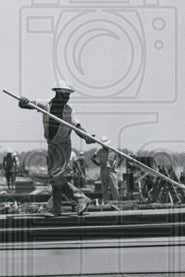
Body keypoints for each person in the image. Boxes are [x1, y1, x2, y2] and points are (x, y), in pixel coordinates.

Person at [18, 80, 91, 216]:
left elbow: (78, 127)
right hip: (51, 145)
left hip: (63, 146)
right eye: (64, 96)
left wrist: (86, 137)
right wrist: (23, 101)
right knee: (54, 178)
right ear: (57, 94)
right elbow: (25, 105)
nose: (67, 99)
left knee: (56, 176)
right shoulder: (46, 104)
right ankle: (56, 208)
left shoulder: (69, 111)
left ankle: (79, 198)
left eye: (68, 97)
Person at [92, 137, 121, 203]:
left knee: (114, 187)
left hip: (112, 170)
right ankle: (106, 201)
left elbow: (121, 156)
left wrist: (117, 165)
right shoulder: (99, 151)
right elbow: (92, 158)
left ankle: (117, 201)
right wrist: (98, 164)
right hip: (103, 169)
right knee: (104, 187)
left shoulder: (113, 150)